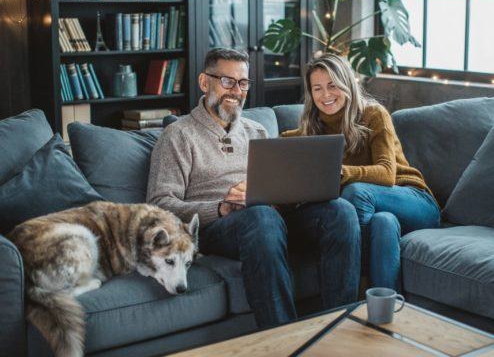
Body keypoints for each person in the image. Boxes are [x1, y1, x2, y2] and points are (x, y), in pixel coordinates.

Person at [147, 48, 361, 327]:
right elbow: (159, 204)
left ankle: (340, 328)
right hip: (218, 228)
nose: (236, 91)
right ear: (204, 82)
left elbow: (277, 189)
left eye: (243, 83)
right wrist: (221, 208)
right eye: (227, 81)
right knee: (261, 217)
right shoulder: (177, 135)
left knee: (340, 211)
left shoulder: (256, 131)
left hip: (268, 218)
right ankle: (282, 338)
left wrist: (286, 195)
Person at [282, 54, 440, 291]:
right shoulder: (310, 132)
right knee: (382, 223)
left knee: (357, 192)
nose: (326, 95)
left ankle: (357, 286)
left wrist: (341, 172)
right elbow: (287, 150)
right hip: (379, 212)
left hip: (413, 200)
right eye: (317, 88)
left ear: (347, 83)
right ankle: (385, 311)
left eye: (333, 85)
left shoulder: (374, 115)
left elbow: (387, 173)